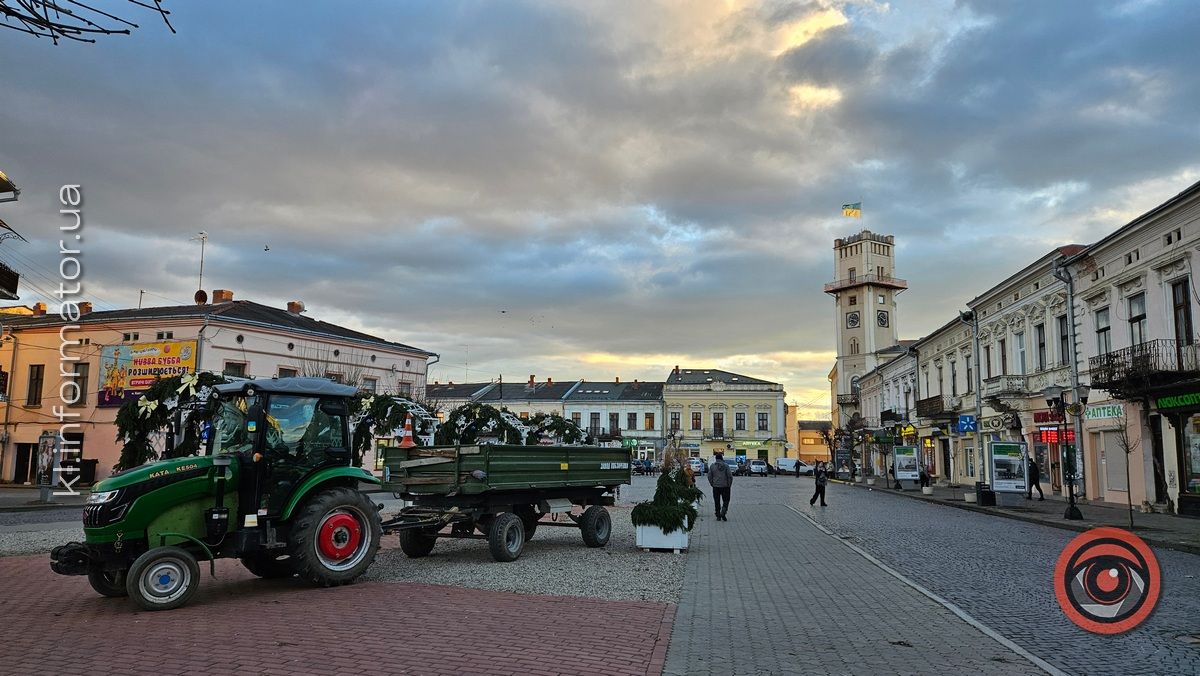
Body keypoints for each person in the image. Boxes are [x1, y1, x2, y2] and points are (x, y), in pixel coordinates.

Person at [708, 451, 734, 521]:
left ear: (716, 459)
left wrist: (712, 483)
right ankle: (723, 512)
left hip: (716, 487)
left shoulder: (712, 466)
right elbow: (730, 476)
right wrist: (729, 485)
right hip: (725, 486)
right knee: (726, 500)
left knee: (717, 501)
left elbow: (709, 476)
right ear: (722, 458)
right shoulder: (726, 466)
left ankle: (718, 515)